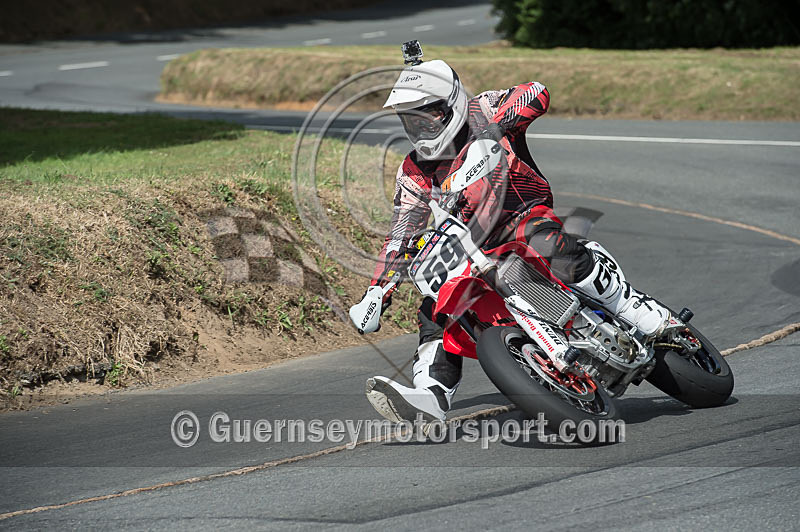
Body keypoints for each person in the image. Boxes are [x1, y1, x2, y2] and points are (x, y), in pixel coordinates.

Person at [351, 54, 670, 424]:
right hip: (473, 250)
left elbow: (535, 92)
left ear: (451, 103)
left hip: (522, 216)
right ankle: (431, 393)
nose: (420, 127)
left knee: (549, 246)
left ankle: (636, 310)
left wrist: (495, 128)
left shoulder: (482, 109)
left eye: (428, 115)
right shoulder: (414, 170)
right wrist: (377, 290)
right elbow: (402, 229)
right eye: (410, 120)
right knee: (435, 308)